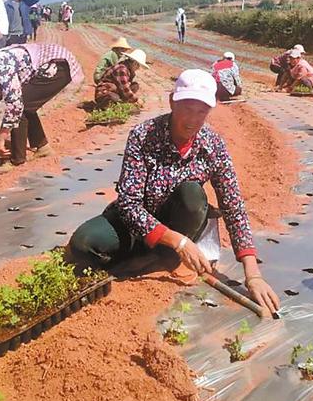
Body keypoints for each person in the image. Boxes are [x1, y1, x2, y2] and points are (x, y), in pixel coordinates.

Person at [68, 70, 281, 318]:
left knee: (192, 194)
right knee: (84, 244)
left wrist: (252, 274)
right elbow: (128, 203)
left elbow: (233, 206)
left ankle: (160, 256)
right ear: (172, 102)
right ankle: (155, 255)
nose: (193, 119)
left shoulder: (213, 145)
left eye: (201, 111)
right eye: (187, 108)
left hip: (180, 222)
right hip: (137, 221)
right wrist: (177, 242)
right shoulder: (143, 135)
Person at [0, 42, 85, 175]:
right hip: (47, 65)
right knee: (26, 104)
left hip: (57, 65)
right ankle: (42, 147)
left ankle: (17, 159)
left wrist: (1, 137)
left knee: (22, 105)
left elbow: (15, 104)